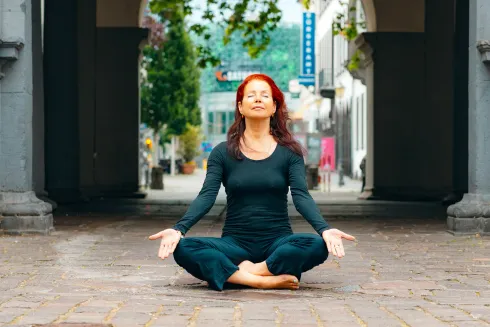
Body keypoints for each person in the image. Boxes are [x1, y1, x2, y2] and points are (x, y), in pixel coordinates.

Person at [149, 74, 355, 291]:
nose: (258, 99)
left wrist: (325, 229)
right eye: (251, 95)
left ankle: (244, 272)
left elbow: (301, 196)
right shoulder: (222, 152)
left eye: (265, 95)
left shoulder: (290, 152)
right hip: (235, 244)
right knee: (183, 247)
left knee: (316, 245)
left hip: (277, 243)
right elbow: (207, 196)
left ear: (274, 106)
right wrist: (178, 229)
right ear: (241, 106)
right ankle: (263, 280)